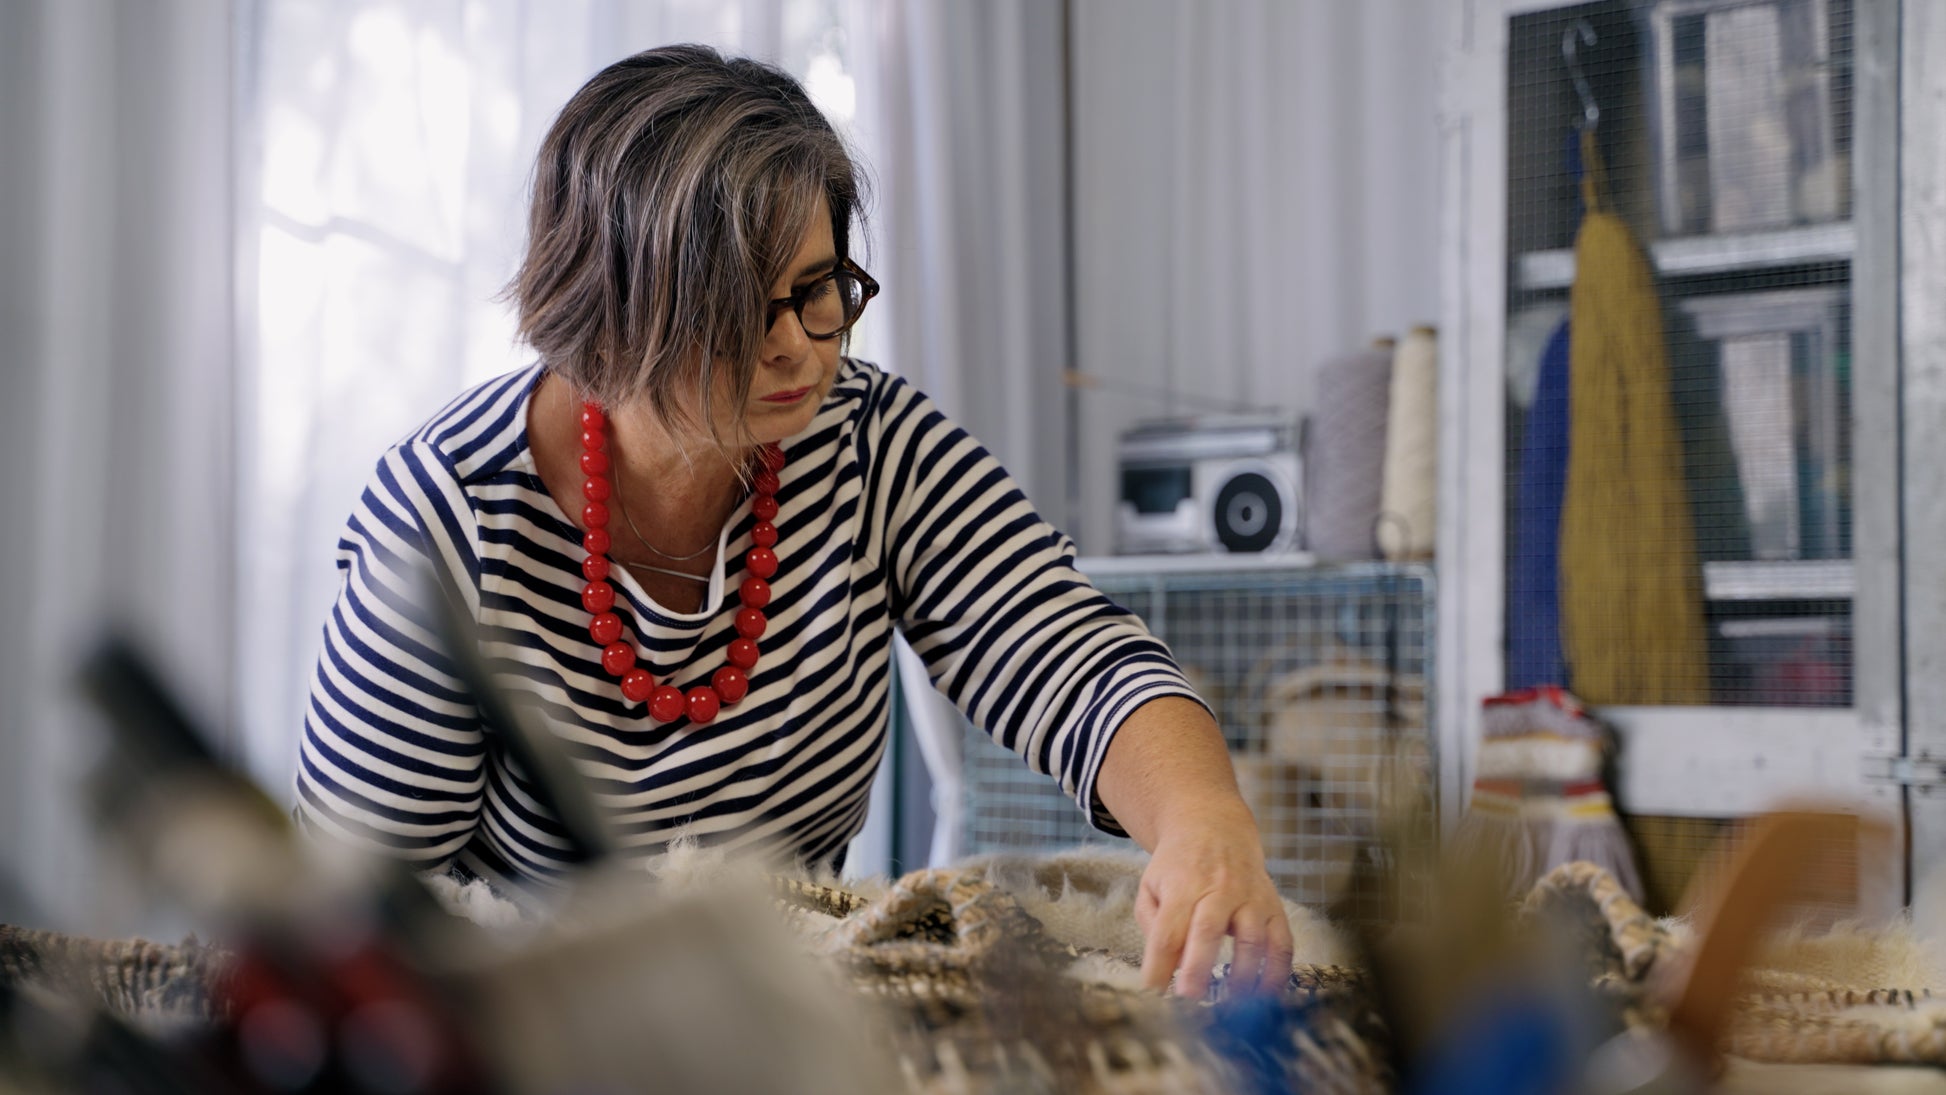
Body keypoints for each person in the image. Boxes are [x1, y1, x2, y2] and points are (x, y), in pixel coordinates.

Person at [294, 44, 1292, 998]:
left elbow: (1069, 657)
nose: (797, 349)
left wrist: (1202, 821)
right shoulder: (443, 519)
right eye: (738, 308)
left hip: (787, 1007)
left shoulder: (866, 440)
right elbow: (358, 916)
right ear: (610, 303)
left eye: (817, 291)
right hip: (534, 1021)